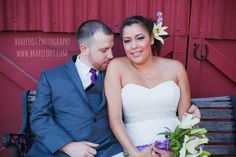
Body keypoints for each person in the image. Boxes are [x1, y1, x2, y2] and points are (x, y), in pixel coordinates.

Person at [104, 15, 198, 157]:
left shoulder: (176, 68)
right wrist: (135, 154)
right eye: (127, 41)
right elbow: (115, 120)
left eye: (140, 38)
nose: (133, 46)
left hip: (172, 149)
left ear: (152, 38)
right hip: (134, 149)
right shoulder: (117, 67)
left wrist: (174, 151)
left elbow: (184, 117)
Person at [26, 20, 123, 157]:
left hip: (106, 151)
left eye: (111, 48)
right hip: (58, 152)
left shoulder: (115, 73)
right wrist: (67, 146)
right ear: (84, 49)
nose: (111, 55)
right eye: (104, 50)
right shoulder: (51, 77)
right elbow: (39, 118)